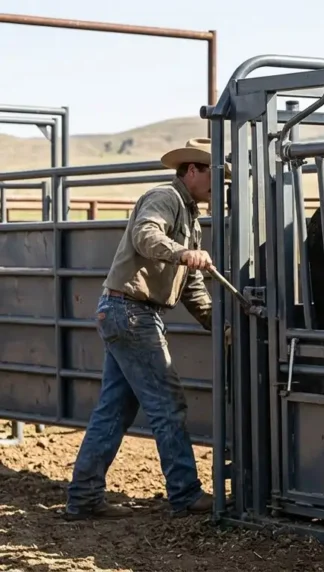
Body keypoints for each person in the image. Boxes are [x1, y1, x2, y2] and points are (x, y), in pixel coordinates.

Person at [64, 138, 230, 520]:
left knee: (114, 410)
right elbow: (146, 234)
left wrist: (215, 324)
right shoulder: (164, 198)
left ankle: (84, 497)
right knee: (167, 405)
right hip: (132, 312)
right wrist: (181, 252)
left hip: (123, 311)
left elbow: (190, 285)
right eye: (212, 174)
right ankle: (185, 494)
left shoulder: (189, 217)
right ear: (192, 170)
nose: (217, 184)